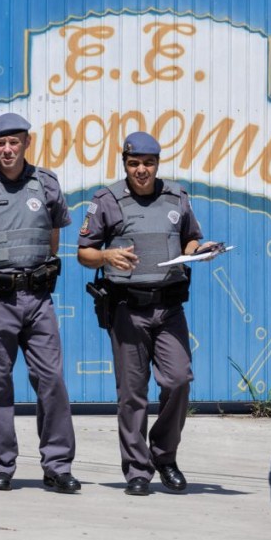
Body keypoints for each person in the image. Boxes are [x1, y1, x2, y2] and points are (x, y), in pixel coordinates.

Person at [76, 131, 219, 497]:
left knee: (178, 380)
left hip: (169, 306)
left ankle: (164, 455)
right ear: (125, 164)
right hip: (127, 308)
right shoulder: (107, 200)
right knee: (132, 394)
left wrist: (197, 250)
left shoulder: (176, 197)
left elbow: (189, 237)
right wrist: (107, 256)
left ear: (158, 164)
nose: (142, 170)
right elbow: (84, 252)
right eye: (134, 163)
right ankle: (138, 470)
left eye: (149, 163)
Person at [0, 112, 80, 494]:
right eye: (1, 143)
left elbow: (52, 241)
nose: (7, 150)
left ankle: (57, 465)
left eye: (14, 142)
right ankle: (2, 465)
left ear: (27, 143)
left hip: (38, 298)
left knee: (51, 380)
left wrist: (28, 275)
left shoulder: (47, 184)